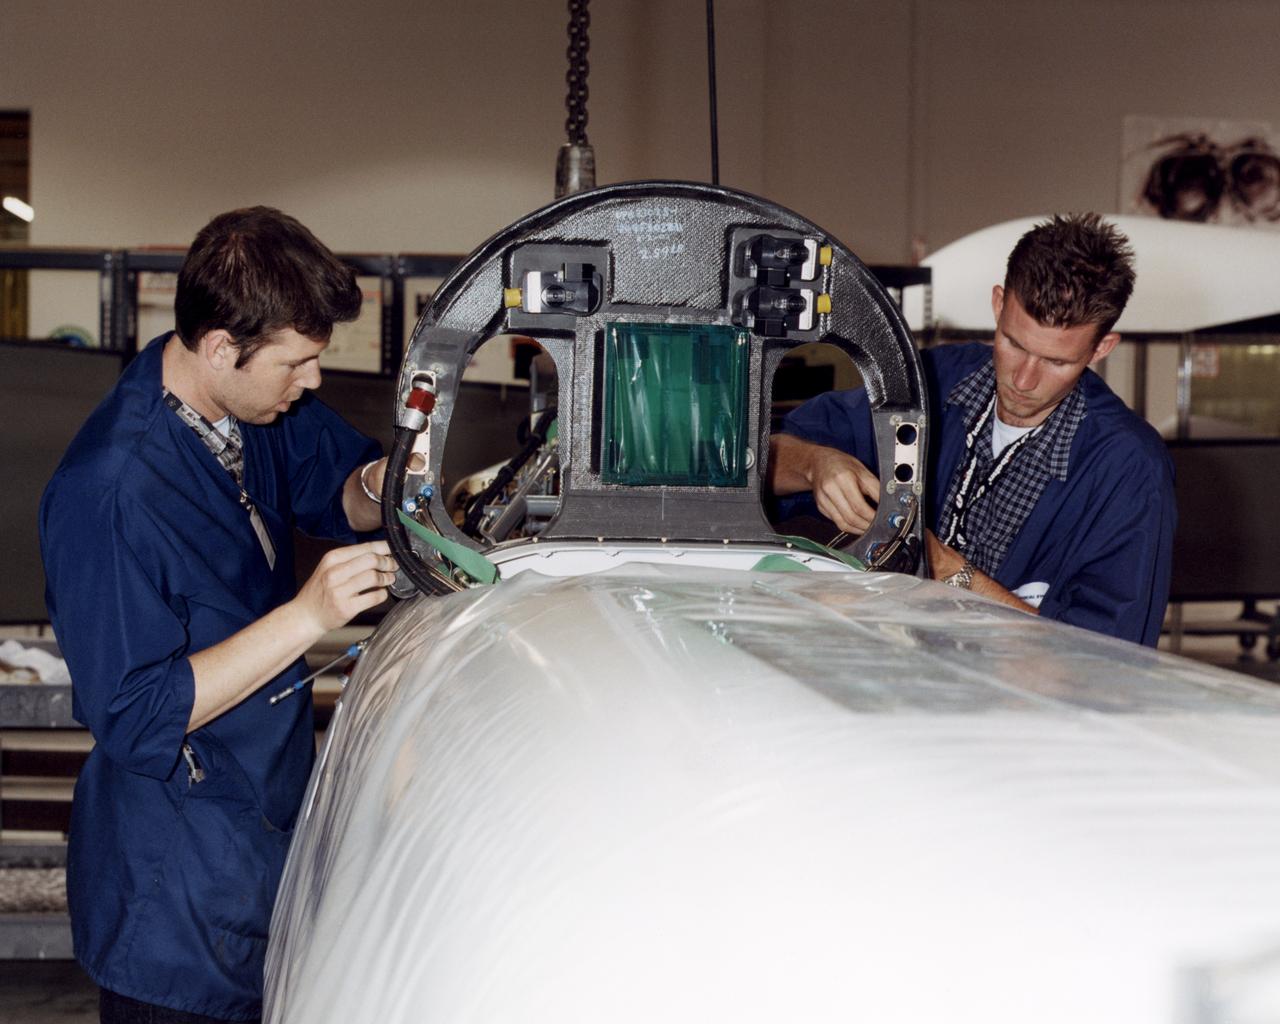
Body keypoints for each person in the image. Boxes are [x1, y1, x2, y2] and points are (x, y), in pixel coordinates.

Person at [40, 207, 400, 1023]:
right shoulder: (109, 492)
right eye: (297, 364)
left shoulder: (248, 413)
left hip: (255, 832)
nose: (311, 383)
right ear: (219, 347)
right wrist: (309, 616)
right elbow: (136, 716)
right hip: (175, 887)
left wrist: (392, 485)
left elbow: (338, 488)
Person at [769, 213, 1174, 646]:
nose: (1023, 380)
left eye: (1057, 362)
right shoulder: (930, 384)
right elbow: (761, 460)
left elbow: (1103, 663)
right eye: (1014, 344)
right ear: (999, 304)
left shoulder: (1129, 470)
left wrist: (947, 570)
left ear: (1102, 348)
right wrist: (815, 464)